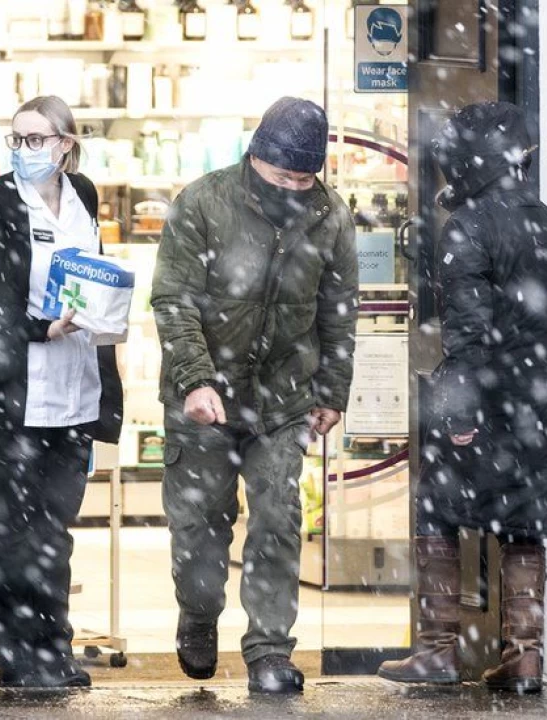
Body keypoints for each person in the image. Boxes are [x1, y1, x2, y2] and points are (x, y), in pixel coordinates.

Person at [377, 101, 547, 694]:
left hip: (479, 400)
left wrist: (465, 410)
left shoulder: (466, 228)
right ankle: (524, 659)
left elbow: (465, 333)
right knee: (525, 527)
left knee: (435, 513)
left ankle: (438, 652)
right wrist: (532, 362)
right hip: (539, 406)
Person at [151, 96, 358, 694]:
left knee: (277, 520)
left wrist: (332, 391)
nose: (293, 187)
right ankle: (198, 612)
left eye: (304, 176)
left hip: (284, 397)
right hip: (203, 400)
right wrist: (195, 379)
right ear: (255, 157)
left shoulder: (330, 216)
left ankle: (269, 650)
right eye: (281, 175)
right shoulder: (203, 203)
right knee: (199, 526)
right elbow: (174, 300)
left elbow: (339, 312)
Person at [0, 95, 123, 689]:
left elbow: (92, 271)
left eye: (36, 140)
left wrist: (105, 311)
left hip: (76, 389)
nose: (24, 150)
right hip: (16, 394)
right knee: (12, 529)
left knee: (55, 529)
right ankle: (18, 656)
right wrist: (40, 326)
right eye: (17, 139)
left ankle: (55, 646)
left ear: (66, 145)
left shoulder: (85, 196)